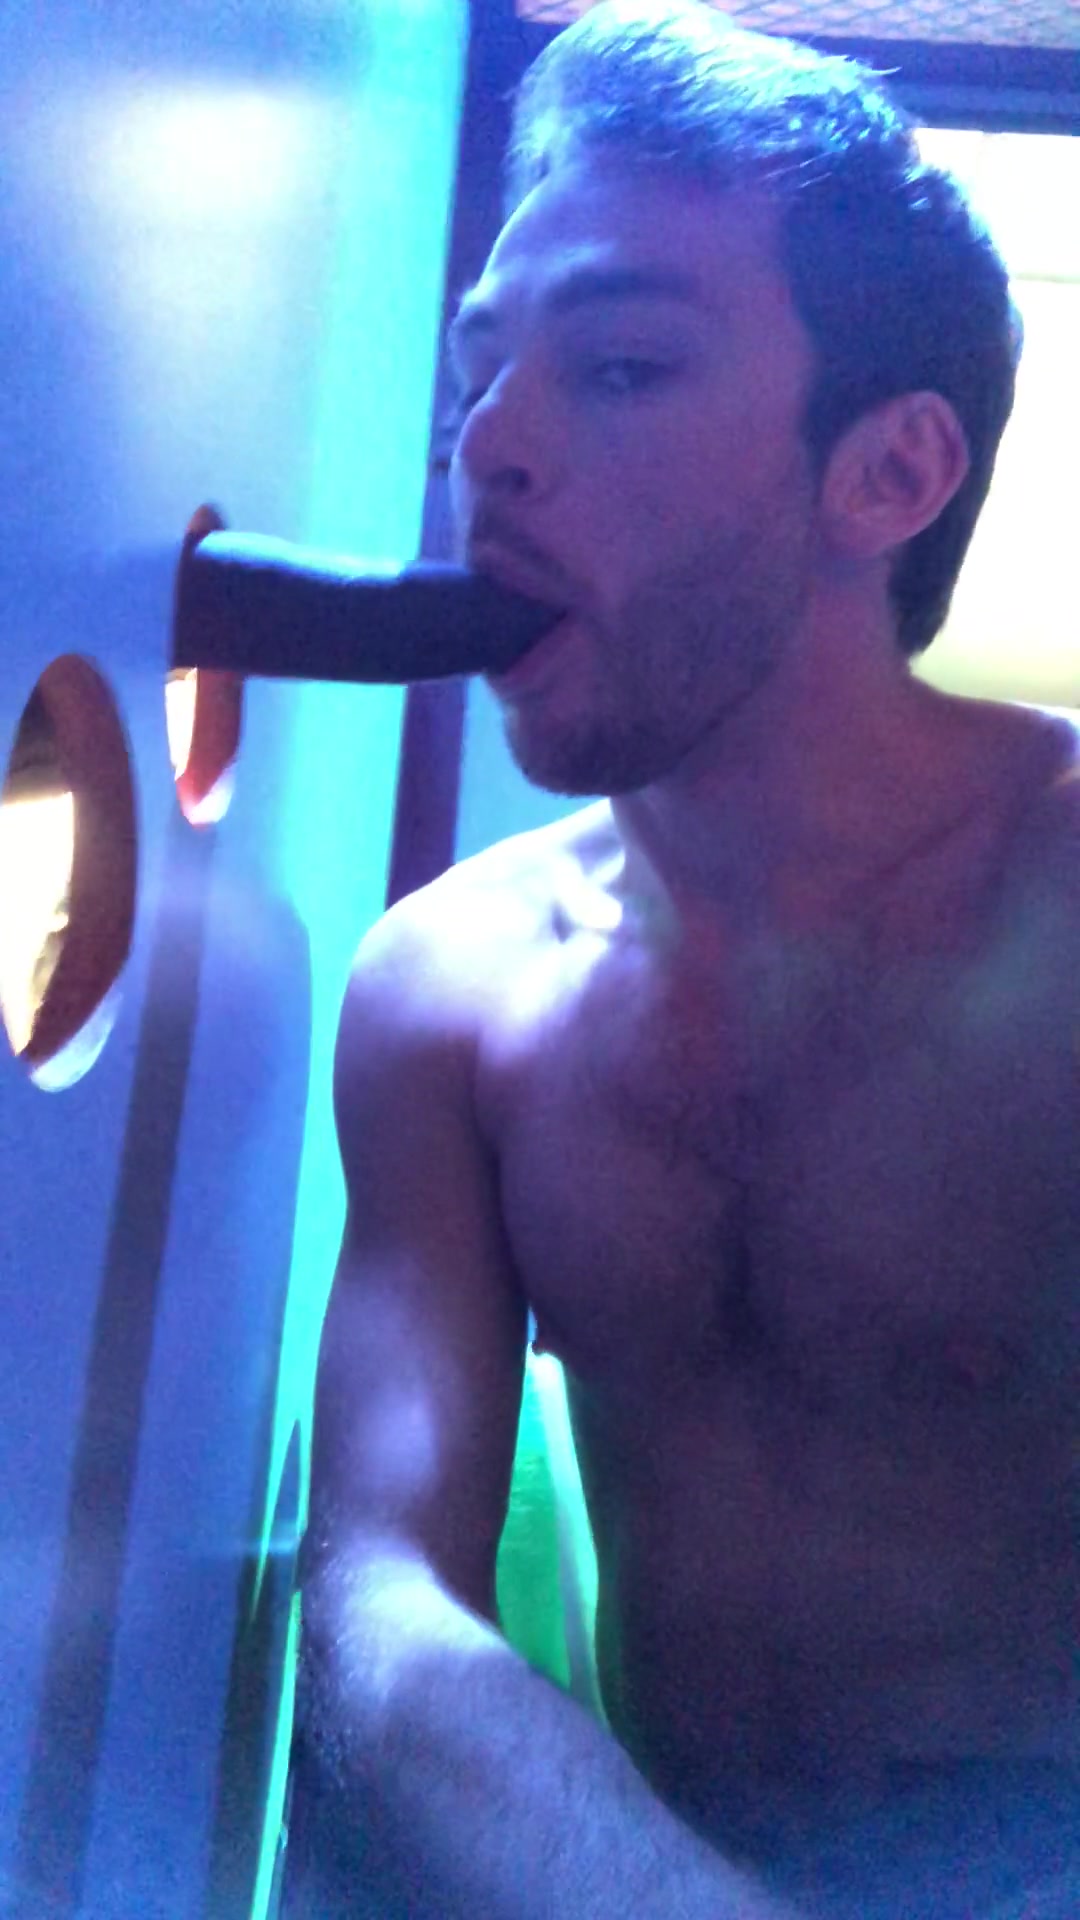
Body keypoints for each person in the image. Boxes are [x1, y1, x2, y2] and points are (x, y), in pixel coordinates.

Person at [283, 4, 1080, 1914]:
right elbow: (383, 1593)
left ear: (887, 474)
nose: (492, 448)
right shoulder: (447, 989)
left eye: (623, 366)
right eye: (480, 373)